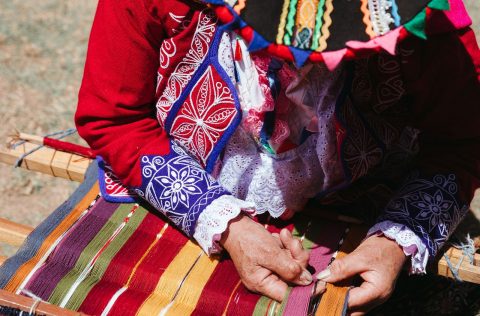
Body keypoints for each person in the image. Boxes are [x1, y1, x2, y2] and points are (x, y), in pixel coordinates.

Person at [75, 0, 480, 314]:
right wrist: (223, 222)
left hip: (364, 199)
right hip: (191, 174)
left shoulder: (429, 24)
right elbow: (114, 119)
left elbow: (461, 143)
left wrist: (395, 241)